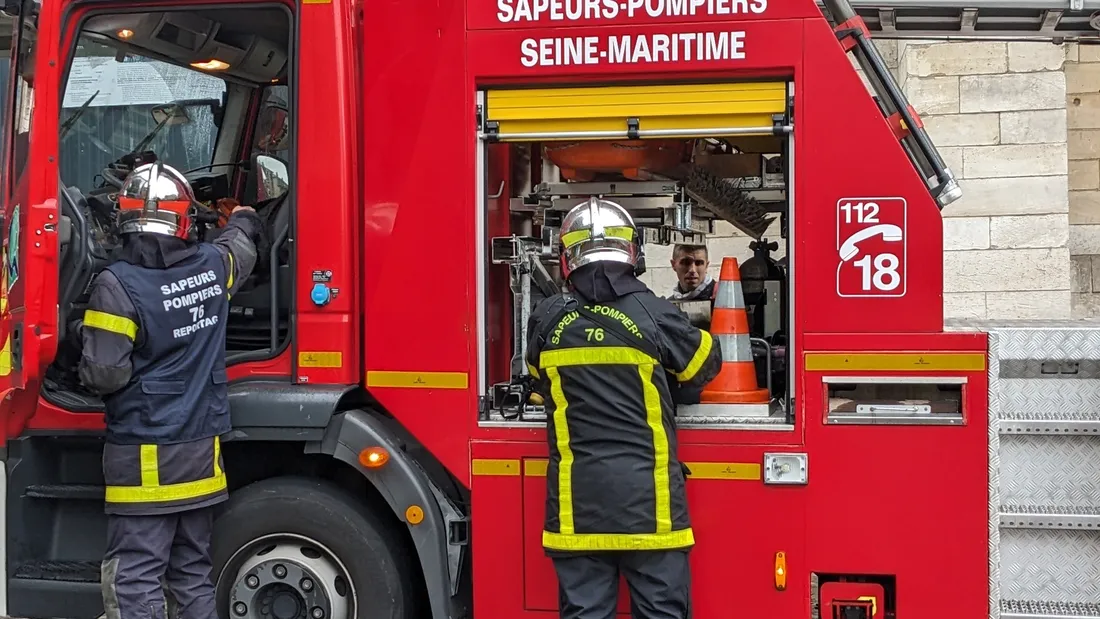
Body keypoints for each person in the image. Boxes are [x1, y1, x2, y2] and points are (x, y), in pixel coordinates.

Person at [77, 162, 264, 619]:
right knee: (192, 576)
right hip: (201, 455)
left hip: (145, 459)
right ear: (186, 220)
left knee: (135, 578)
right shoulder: (214, 266)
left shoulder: (115, 286)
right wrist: (244, 217)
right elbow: (240, 248)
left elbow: (105, 375)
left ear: (123, 218)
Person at [525, 197, 722, 619]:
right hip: (651, 507)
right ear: (633, 253)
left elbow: (536, 377)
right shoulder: (655, 314)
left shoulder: (546, 320)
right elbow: (706, 365)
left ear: (566, 258)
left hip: (576, 508)